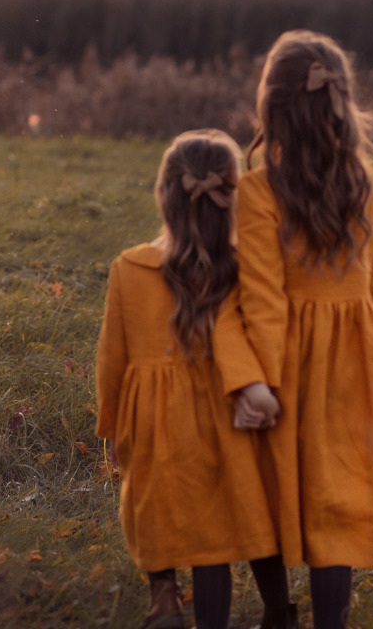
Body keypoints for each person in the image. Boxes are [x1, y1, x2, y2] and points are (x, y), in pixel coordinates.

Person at [231, 30, 373, 629]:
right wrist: (365, 349)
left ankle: (277, 610)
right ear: (342, 105)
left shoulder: (258, 190)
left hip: (286, 355)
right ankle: (331, 622)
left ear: (272, 107)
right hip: (354, 357)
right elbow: (372, 289)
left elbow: (262, 299)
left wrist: (256, 382)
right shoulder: (363, 187)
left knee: (267, 485)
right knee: (334, 491)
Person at [95, 129, 293, 629]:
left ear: (165, 195)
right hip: (228, 416)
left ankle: (165, 598)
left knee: (154, 510)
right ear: (233, 200)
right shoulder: (242, 268)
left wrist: (112, 427)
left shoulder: (130, 268)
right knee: (224, 533)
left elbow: (111, 358)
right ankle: (268, 612)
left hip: (153, 419)